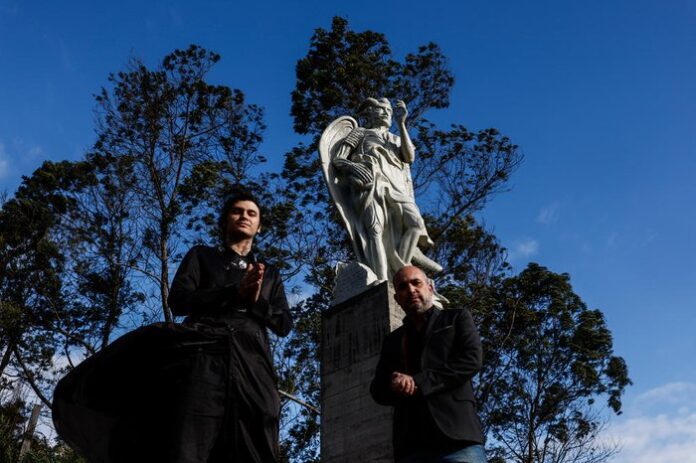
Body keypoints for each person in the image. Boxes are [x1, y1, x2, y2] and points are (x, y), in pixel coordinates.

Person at [164, 190, 293, 462]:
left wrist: (256, 301)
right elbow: (179, 301)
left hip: (253, 363)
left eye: (251, 213)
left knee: (258, 441)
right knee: (192, 444)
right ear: (224, 221)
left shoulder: (269, 273)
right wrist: (234, 292)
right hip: (205, 356)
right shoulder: (201, 256)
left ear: (259, 226)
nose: (244, 216)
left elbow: (283, 323)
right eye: (237, 211)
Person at [370, 265, 486, 463]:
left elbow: (471, 360)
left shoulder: (456, 318)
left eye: (416, 283)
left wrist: (419, 382)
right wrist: (393, 382)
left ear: (430, 288)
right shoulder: (393, 340)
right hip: (411, 447)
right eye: (403, 287)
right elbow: (377, 389)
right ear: (397, 298)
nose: (411, 290)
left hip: (458, 440)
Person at [330, 97, 442, 281]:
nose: (385, 113)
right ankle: (382, 281)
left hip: (397, 189)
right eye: (381, 109)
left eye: (388, 111)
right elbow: (338, 158)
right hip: (371, 185)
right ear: (370, 113)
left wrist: (401, 123)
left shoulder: (396, 139)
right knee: (376, 231)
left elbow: (409, 156)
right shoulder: (360, 133)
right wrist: (353, 166)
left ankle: (401, 272)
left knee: (414, 225)